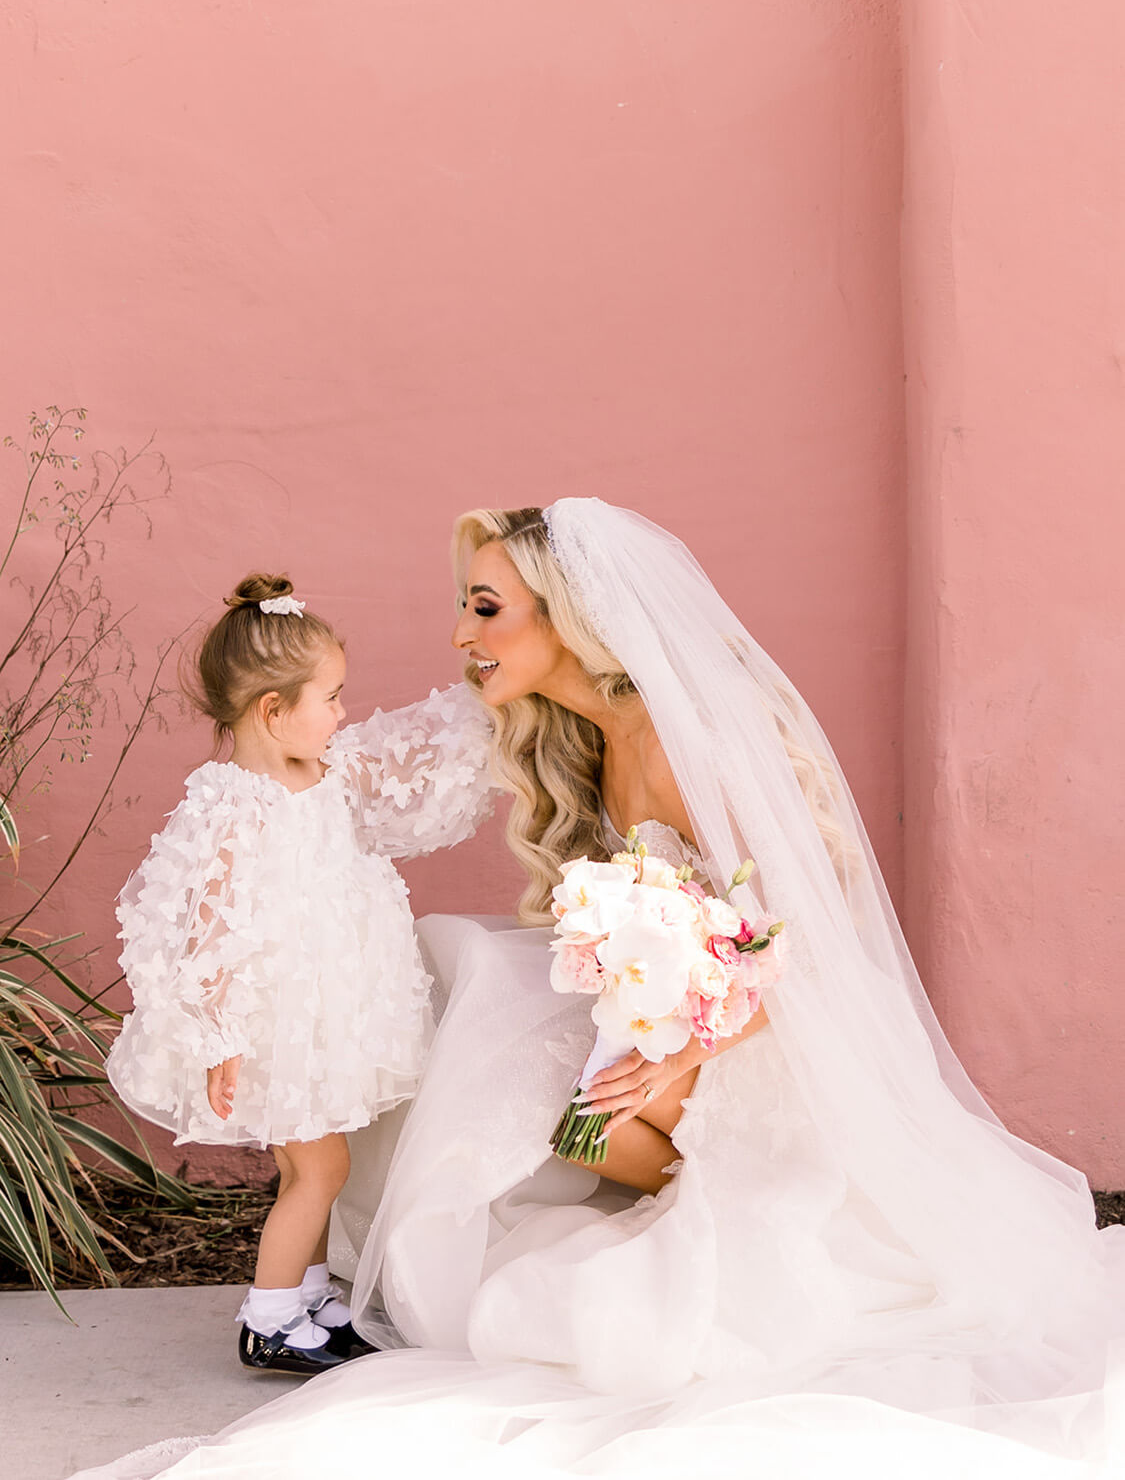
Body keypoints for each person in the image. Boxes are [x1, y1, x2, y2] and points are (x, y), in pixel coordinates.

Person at [81, 508, 1123, 1480]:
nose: (459, 633)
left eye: (486, 607)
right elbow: (344, 784)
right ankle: (374, 1254)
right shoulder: (561, 726)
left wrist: (686, 1049)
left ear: (570, 616)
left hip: (748, 1024)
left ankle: (683, 1171)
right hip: (666, 998)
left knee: (594, 1138)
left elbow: (788, 928)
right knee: (471, 976)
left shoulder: (677, 744)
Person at [106, 573, 493, 1376]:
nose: (343, 712)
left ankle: (310, 1299)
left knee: (309, 1165)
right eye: (331, 698)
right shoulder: (231, 802)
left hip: (325, 1012)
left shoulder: (325, 775)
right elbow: (202, 925)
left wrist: (486, 704)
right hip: (271, 1021)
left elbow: (410, 758)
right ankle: (269, 1317)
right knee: (322, 1168)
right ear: (273, 711)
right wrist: (217, 1035)